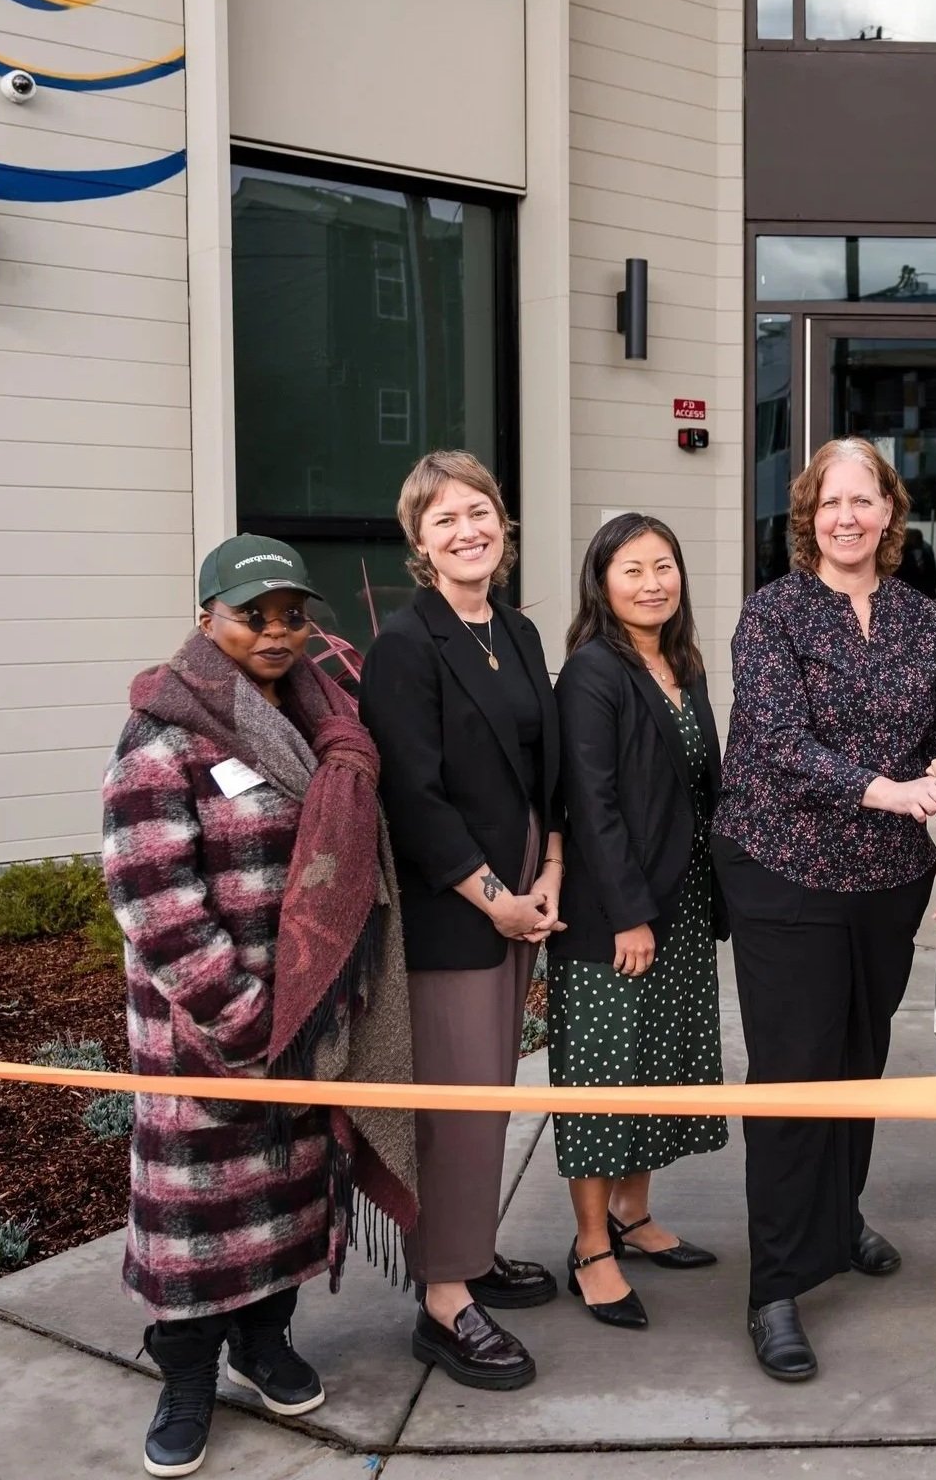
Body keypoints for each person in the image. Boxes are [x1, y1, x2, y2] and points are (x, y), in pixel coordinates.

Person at [103, 535, 418, 1480]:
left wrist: (306, 1015)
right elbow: (153, 899)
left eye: (292, 615)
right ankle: (188, 1373)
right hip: (206, 1030)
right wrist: (241, 1018)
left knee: (287, 1194)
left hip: (304, 1016)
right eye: (254, 615)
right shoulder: (164, 733)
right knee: (194, 1214)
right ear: (208, 620)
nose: (278, 633)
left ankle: (265, 1340)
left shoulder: (330, 723)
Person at [713, 436, 936, 1382]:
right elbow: (775, 742)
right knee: (793, 1076)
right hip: (784, 873)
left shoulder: (916, 617)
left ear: (890, 514)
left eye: (864, 500)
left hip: (884, 883)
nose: (848, 517)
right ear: (807, 516)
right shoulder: (772, 613)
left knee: (860, 1063)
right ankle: (775, 1287)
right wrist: (884, 789)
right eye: (831, 501)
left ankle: (836, 1221)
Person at [358, 451, 561, 1394]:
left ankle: (469, 1253)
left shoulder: (514, 631)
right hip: (459, 906)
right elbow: (415, 796)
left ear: (502, 526)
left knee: (488, 1092)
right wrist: (496, 898)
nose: (467, 530)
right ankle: (444, 1301)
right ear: (418, 541)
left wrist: (551, 869)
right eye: (445, 520)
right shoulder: (407, 643)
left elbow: (543, 764)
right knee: (456, 1105)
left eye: (479, 512)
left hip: (525, 886)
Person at [550, 513, 729, 1331]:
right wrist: (629, 913)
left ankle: (633, 1212)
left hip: (683, 903)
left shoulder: (680, 664)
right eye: (633, 569)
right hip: (617, 914)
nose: (653, 582)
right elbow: (591, 802)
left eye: (665, 565)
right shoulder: (593, 671)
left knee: (658, 1064)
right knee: (601, 1078)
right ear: (602, 581)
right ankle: (591, 1246)